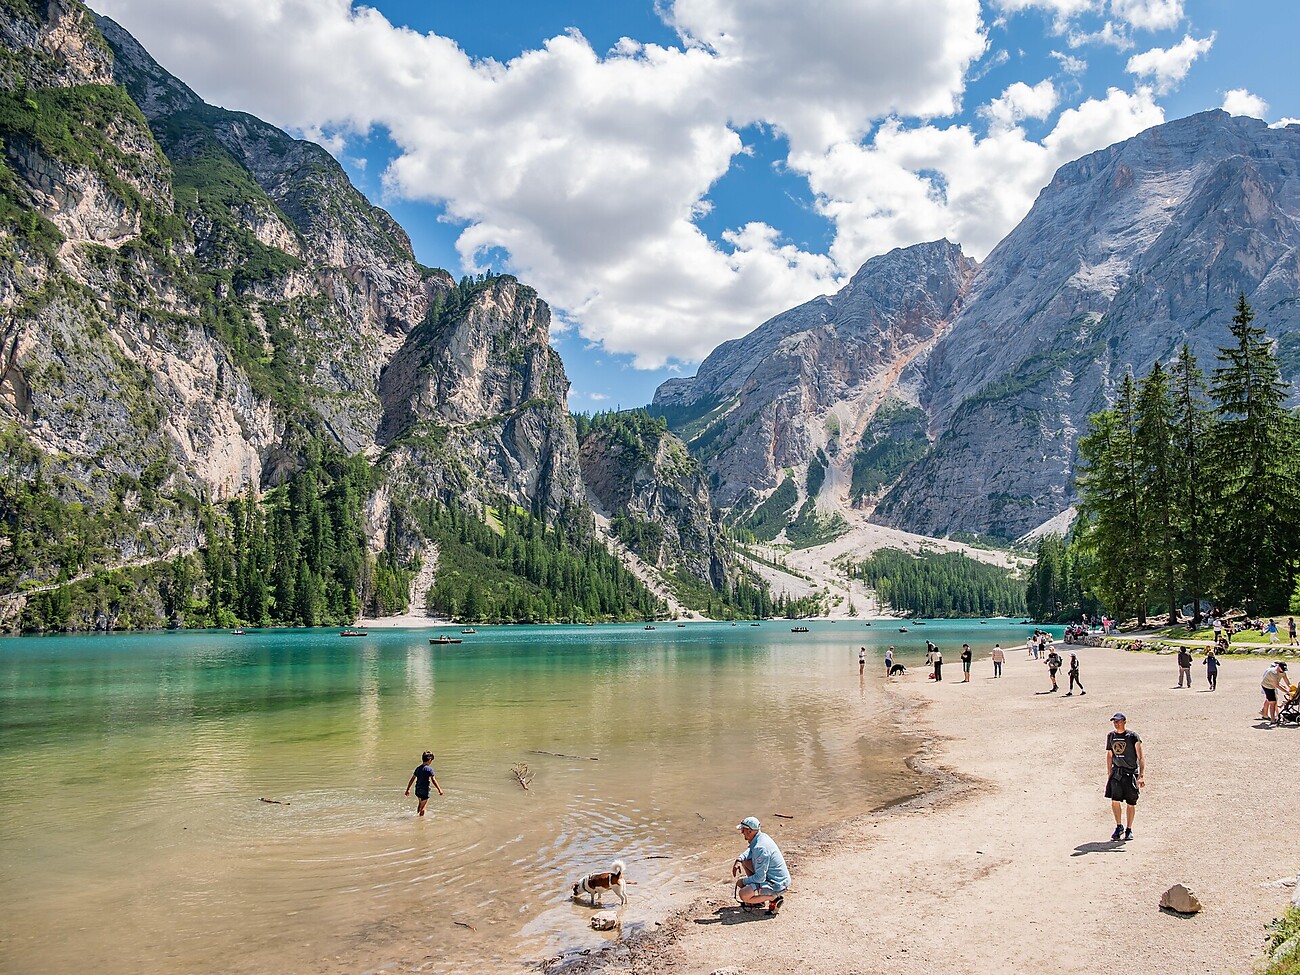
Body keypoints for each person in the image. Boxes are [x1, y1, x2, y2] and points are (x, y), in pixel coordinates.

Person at [732, 816, 790, 915]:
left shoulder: (761, 848)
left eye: (743, 830)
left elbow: (760, 878)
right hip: (774, 878)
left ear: (749, 831)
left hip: (777, 884)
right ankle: (759, 900)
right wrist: (739, 859)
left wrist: (743, 881)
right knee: (746, 861)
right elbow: (750, 851)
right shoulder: (761, 837)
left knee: (743, 894)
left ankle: (774, 898)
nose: (742, 832)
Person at [1105, 713, 1145, 841]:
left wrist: (1141, 776)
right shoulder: (1111, 736)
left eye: (1118, 721)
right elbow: (1110, 754)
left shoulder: (1132, 737)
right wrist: (1109, 772)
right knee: (1115, 800)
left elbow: (1140, 757)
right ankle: (1119, 826)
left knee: (1131, 802)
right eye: (1114, 722)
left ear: (1124, 722)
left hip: (1130, 773)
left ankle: (1129, 829)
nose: (1116, 724)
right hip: (1117, 773)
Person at [404, 750, 444, 816]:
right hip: (424, 790)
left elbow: (412, 779)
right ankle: (420, 820)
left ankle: (417, 815)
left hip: (418, 789)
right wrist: (439, 789)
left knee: (420, 804)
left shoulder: (418, 769)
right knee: (423, 807)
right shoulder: (429, 769)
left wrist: (408, 789)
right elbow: (433, 780)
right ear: (429, 760)